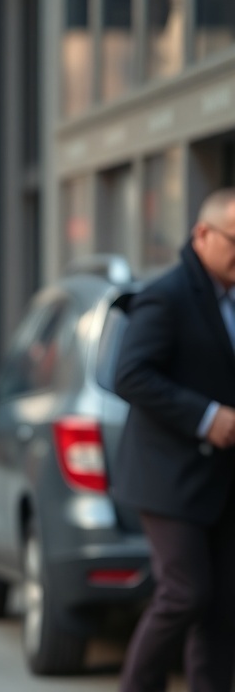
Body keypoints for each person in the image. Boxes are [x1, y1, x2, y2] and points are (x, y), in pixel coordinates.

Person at [113, 188, 235, 692]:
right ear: (201, 235)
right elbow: (131, 374)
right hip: (168, 477)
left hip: (222, 480)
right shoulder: (167, 294)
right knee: (185, 593)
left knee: (222, 605)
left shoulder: (228, 294)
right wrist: (206, 416)